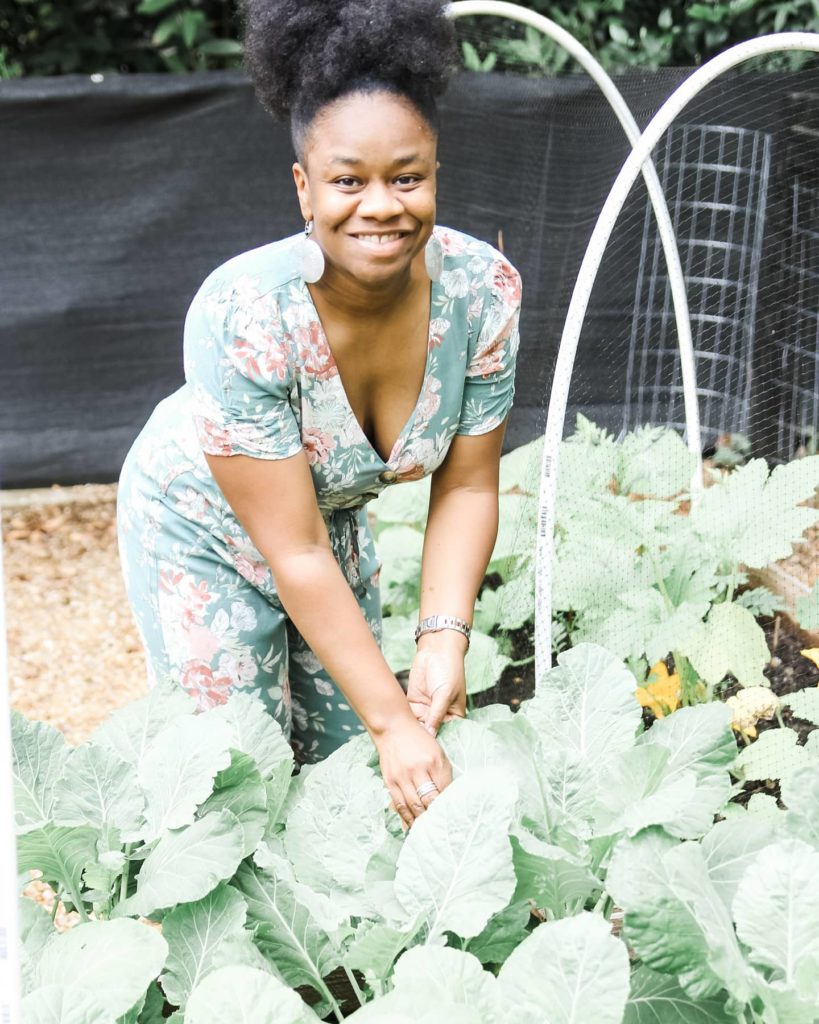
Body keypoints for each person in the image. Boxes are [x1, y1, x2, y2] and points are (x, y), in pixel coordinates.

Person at [116, 0, 522, 829]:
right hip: (202, 528)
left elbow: (470, 488)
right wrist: (392, 721)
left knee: (346, 776)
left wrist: (444, 635)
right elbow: (288, 547)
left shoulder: (482, 295)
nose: (381, 205)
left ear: (436, 172)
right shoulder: (244, 316)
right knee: (235, 779)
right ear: (304, 188)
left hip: (325, 525)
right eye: (348, 180)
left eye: (406, 177)